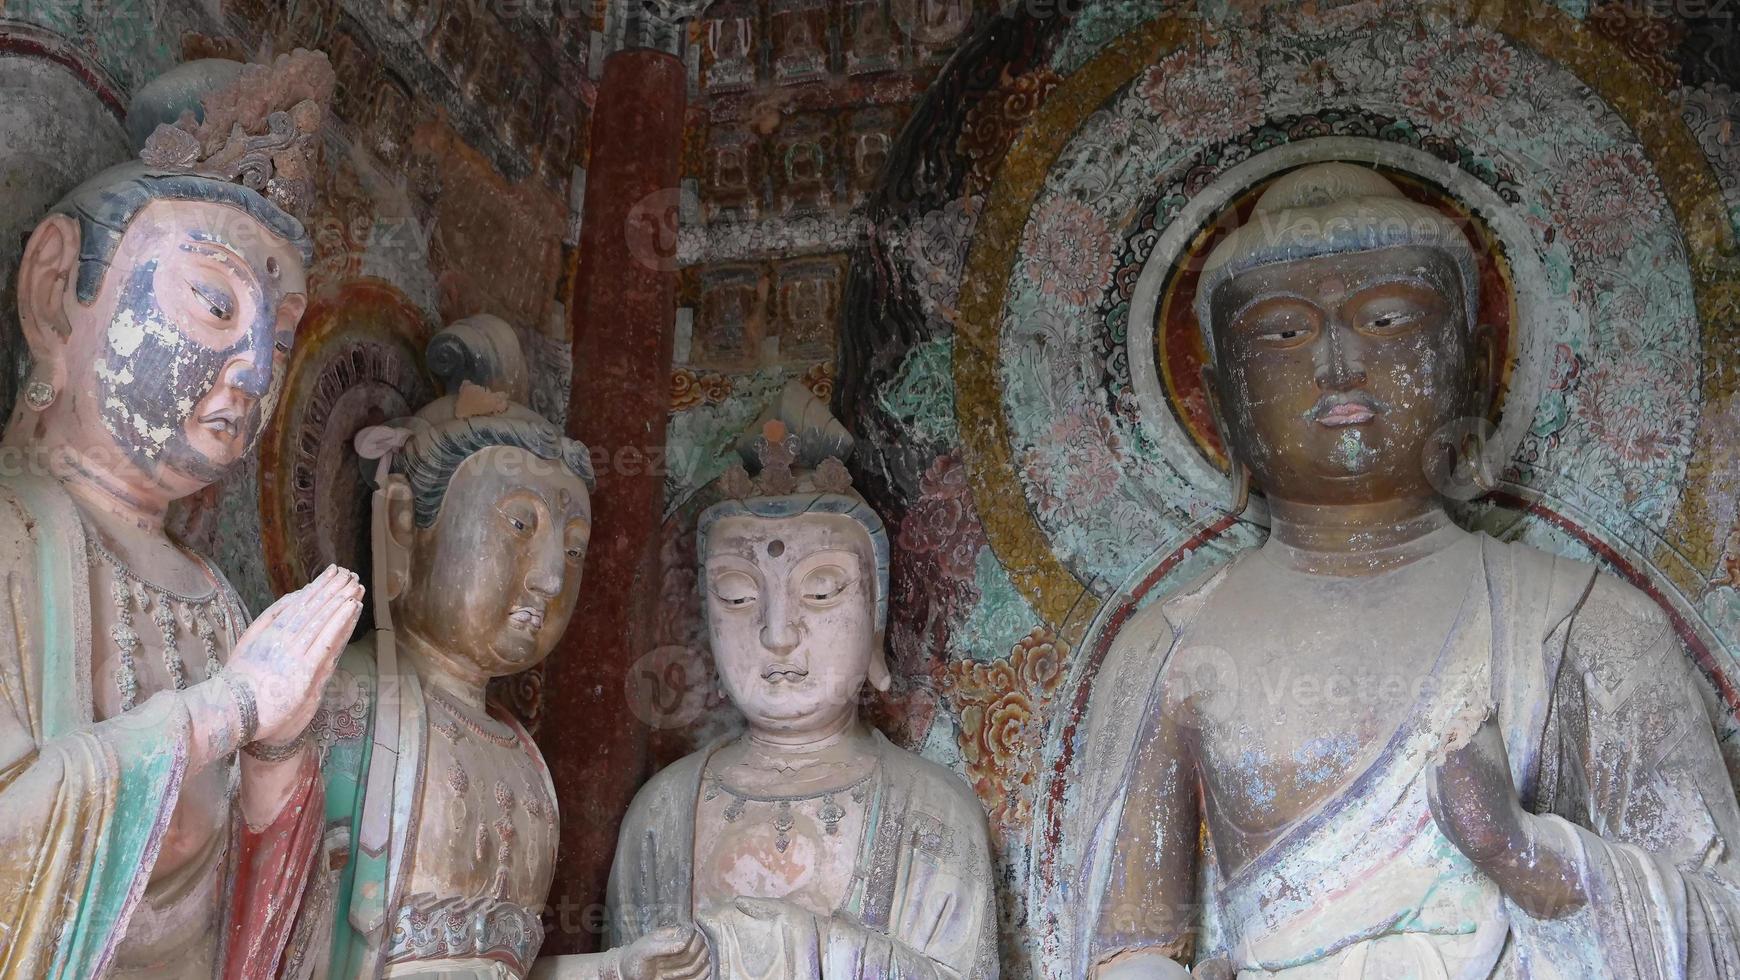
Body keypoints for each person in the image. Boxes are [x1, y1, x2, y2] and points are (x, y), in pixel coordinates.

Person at [1074, 163, 1740, 979]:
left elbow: (1723, 930)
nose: (1338, 363)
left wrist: (1521, 851)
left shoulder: (1580, 624)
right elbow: (1122, 953)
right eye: (1283, 332)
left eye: (1388, 319)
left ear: (1476, 364)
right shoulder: (1169, 653)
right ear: (1221, 403)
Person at [0, 52, 365, 978]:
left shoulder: (214, 599)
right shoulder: (11, 531)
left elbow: (256, 914)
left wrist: (279, 753)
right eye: (211, 303)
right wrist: (231, 707)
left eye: (276, 341)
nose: (251, 367)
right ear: (55, 291)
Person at [608, 382, 999, 978]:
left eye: (821, 590)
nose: (777, 632)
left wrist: (800, 946)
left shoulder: (935, 812)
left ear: (875, 621)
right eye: (737, 596)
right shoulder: (662, 812)